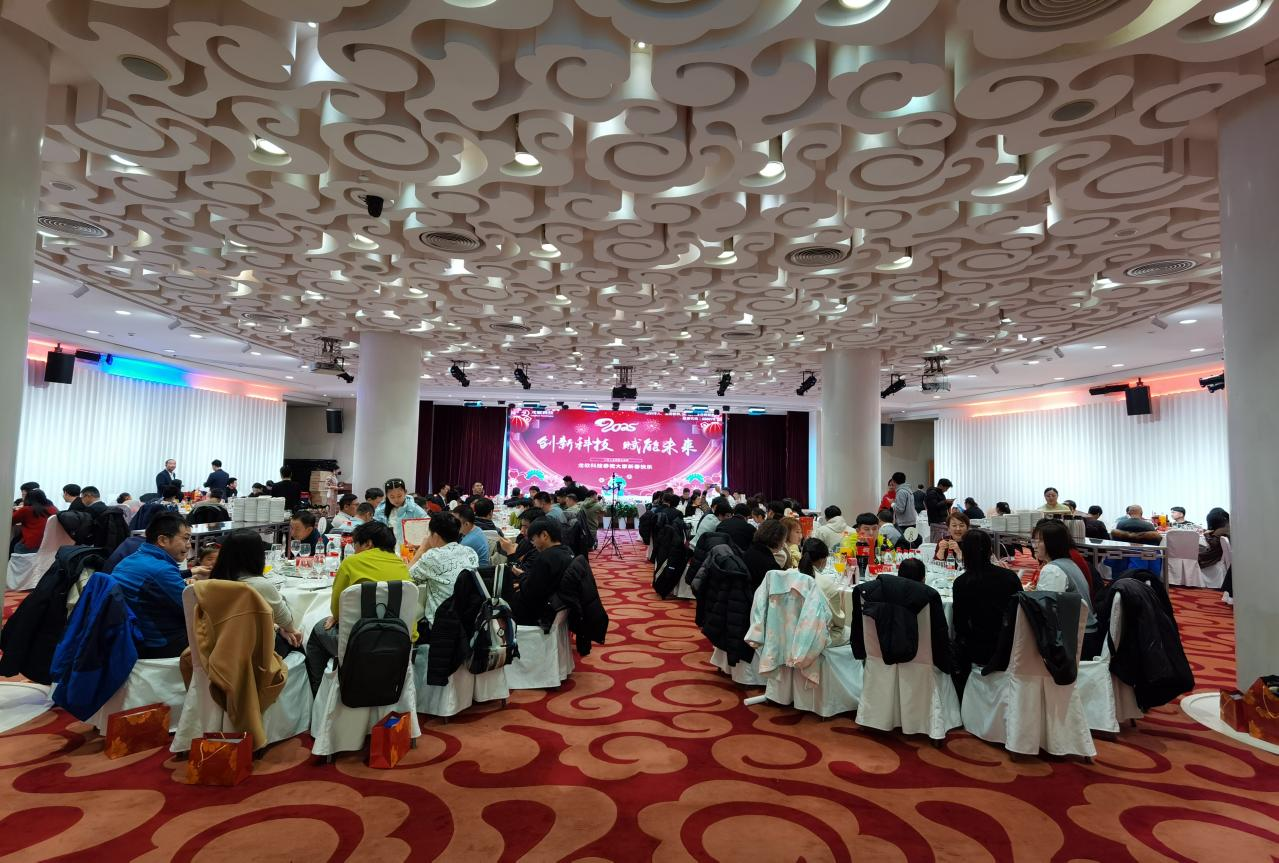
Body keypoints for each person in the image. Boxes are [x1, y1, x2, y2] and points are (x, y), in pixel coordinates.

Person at [305, 520, 417, 694]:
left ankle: (319, 694)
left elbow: (337, 609)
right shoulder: (402, 565)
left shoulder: (351, 563)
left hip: (357, 644)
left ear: (368, 544)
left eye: (355, 545)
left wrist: (336, 616)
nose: (354, 550)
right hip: (400, 643)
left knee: (317, 633)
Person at [208, 528, 304, 653]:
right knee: (298, 643)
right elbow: (287, 623)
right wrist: (286, 629)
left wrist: (278, 628)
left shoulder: (210, 583)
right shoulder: (259, 586)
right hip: (255, 652)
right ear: (258, 556)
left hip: (218, 649)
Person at [111, 513, 192, 658]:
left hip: (130, 637)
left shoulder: (130, 559)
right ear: (162, 540)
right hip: (157, 645)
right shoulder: (161, 570)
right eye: (185, 538)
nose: (189, 545)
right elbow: (192, 609)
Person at [951, 528, 1023, 667]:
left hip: (977, 649)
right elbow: (1021, 612)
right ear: (990, 551)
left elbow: (960, 624)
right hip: (1010, 646)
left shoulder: (962, 582)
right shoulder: (1009, 577)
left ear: (964, 552)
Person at [1032, 519, 1101, 659]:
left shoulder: (1052, 569)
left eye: (1040, 541)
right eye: (1034, 540)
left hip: (1075, 640)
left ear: (1053, 544)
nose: (1034, 546)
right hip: (1087, 635)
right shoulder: (1068, 563)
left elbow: (1044, 613)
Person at [408, 511, 479, 622]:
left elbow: (406, 579)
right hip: (470, 618)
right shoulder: (470, 552)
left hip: (442, 622)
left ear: (435, 536)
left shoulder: (432, 557)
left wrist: (422, 549)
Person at [510, 519, 573, 625]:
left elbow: (529, 592)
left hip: (541, 613)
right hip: (558, 607)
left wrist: (521, 579)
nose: (533, 544)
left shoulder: (545, 557)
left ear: (544, 535)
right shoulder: (567, 551)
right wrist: (522, 575)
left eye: (533, 539)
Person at [798, 537, 852, 647]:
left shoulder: (788, 575)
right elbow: (838, 622)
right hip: (816, 638)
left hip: (790, 631)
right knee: (853, 632)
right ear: (823, 560)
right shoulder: (827, 585)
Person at [375, 478, 428, 548]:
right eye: (392, 497)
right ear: (387, 496)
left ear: (405, 492)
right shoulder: (381, 510)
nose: (396, 500)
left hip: (410, 548)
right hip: (388, 548)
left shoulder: (413, 508)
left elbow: (427, 525)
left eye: (399, 496)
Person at [743, 518, 788, 589]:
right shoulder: (770, 565)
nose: (784, 543)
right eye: (784, 539)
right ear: (777, 539)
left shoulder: (751, 550)